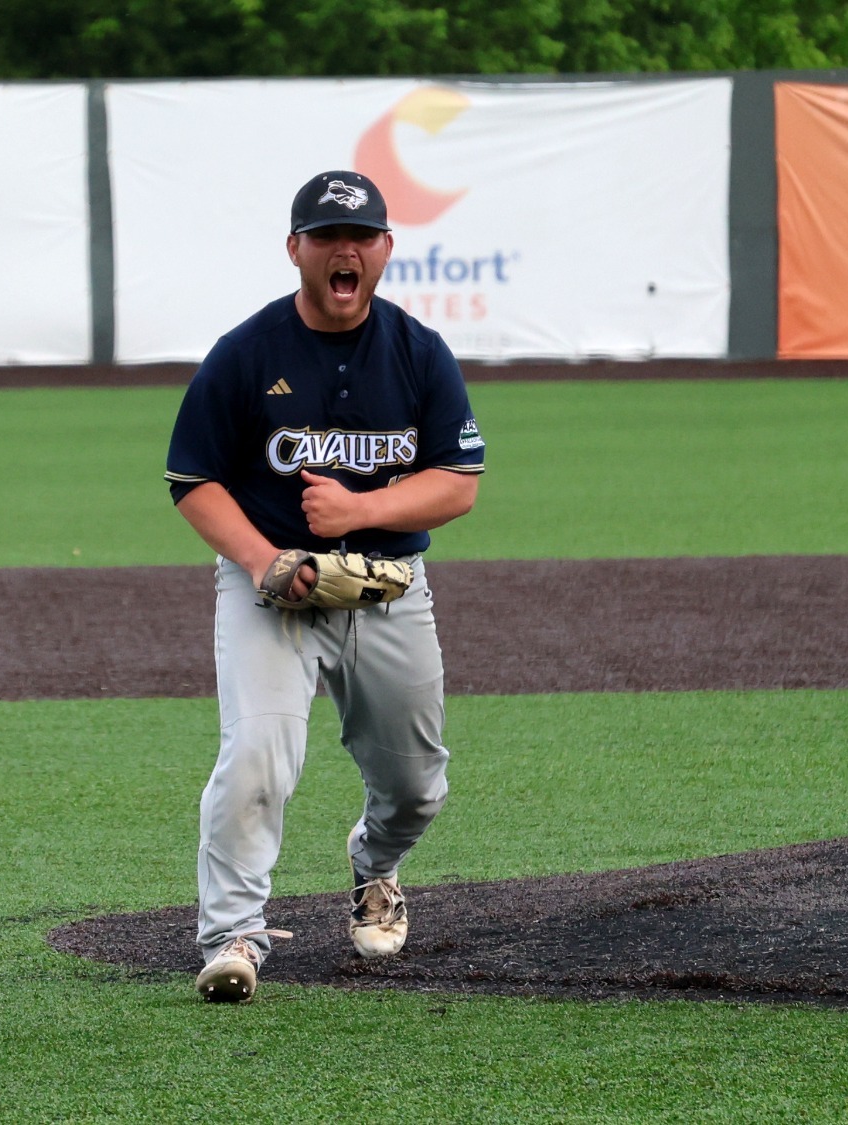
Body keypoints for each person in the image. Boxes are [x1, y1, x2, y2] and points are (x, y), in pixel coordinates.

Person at [163, 169, 486, 1004]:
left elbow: (459, 481)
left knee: (417, 784)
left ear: (384, 249)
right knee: (257, 756)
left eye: (362, 237)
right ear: (296, 249)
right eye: (326, 237)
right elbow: (192, 478)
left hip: (386, 587)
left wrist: (361, 508)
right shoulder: (247, 353)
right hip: (274, 594)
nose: (346, 251)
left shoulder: (418, 352)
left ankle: (374, 865)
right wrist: (262, 556)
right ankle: (233, 931)